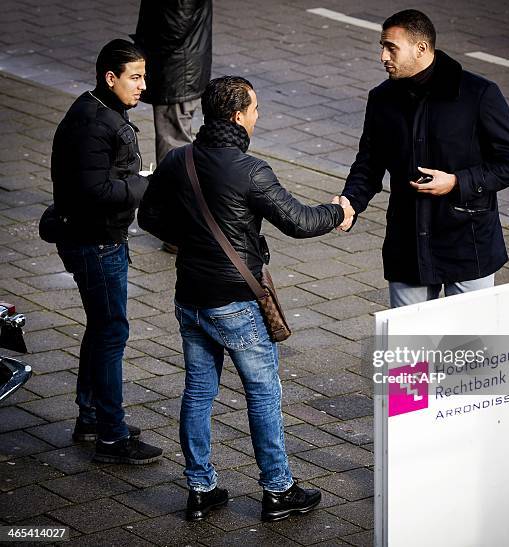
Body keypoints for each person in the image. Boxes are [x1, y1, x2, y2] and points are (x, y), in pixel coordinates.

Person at [138, 76, 355, 521]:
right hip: (236, 302)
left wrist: (196, 243)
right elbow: (297, 220)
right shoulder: (251, 170)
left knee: (199, 392)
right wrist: (339, 212)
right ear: (238, 116)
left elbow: (149, 217)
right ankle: (278, 489)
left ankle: (201, 488)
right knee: (262, 394)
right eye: (255, 109)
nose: (258, 116)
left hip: (190, 298)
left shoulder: (179, 159)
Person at [334, 9, 509, 308]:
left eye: (391, 47)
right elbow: (369, 163)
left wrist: (456, 182)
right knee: (410, 351)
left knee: (467, 351)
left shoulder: (479, 94)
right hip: (407, 244)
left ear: (421, 48)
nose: (383, 56)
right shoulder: (382, 98)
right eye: (382, 47)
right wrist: (351, 202)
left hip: (468, 242)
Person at [50, 39, 162, 464]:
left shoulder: (99, 112)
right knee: (112, 331)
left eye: (143, 76)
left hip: (96, 237)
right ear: (109, 77)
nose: (142, 86)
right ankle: (112, 437)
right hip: (95, 242)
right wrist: (146, 184)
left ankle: (92, 415)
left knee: (101, 327)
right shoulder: (94, 124)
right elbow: (94, 189)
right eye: (135, 77)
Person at [132, 0, 212, 166]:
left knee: (174, 146)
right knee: (177, 142)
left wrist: (144, 49)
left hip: (176, 72)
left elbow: (174, 27)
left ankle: (174, 190)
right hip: (182, 68)